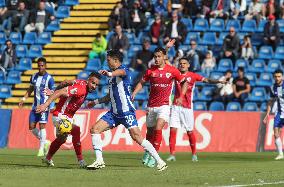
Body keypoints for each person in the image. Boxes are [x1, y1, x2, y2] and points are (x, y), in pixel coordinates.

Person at [86, 49, 168, 172]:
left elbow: (121, 72)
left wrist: (109, 74)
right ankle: (99, 161)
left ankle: (160, 162)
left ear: (115, 60)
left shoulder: (124, 70)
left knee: (137, 137)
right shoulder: (112, 77)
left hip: (126, 112)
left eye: (108, 60)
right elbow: (110, 96)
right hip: (114, 113)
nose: (107, 62)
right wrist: (95, 102)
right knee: (94, 129)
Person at [132, 45, 187, 168]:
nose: (156, 59)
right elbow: (141, 82)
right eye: (155, 56)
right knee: (150, 132)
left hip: (164, 106)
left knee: (158, 128)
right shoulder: (150, 71)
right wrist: (135, 92)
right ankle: (148, 151)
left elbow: (184, 83)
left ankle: (154, 156)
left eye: (159, 56)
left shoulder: (172, 70)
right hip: (151, 105)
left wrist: (181, 96)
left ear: (164, 57)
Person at [35, 72, 101, 167]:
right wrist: (45, 105)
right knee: (75, 130)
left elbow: (65, 82)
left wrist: (54, 91)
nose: (94, 86)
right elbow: (62, 91)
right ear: (88, 80)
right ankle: (81, 161)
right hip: (60, 115)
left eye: (97, 85)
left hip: (68, 117)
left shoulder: (81, 83)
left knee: (62, 139)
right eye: (93, 83)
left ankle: (47, 158)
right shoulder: (81, 89)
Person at [167, 57, 226, 162]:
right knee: (172, 129)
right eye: (180, 63)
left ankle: (194, 154)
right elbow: (166, 63)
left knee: (189, 131)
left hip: (187, 108)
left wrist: (218, 81)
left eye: (184, 63)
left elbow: (206, 80)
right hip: (176, 106)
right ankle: (172, 154)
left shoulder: (193, 76)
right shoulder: (176, 74)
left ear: (188, 65)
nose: (182, 65)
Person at [18, 57, 54, 157]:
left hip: (44, 107)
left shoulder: (49, 79)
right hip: (35, 106)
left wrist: (51, 105)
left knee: (42, 126)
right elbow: (30, 89)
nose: (40, 67)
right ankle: (45, 142)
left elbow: (53, 93)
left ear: (45, 66)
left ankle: (41, 148)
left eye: (42, 65)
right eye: (39, 65)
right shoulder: (33, 76)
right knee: (31, 127)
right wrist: (23, 99)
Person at [263, 69, 284, 160]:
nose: (277, 78)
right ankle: (280, 154)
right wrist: (267, 114)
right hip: (279, 113)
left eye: (279, 76)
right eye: (275, 76)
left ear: (282, 77)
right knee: (276, 133)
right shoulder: (272, 87)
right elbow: (270, 101)